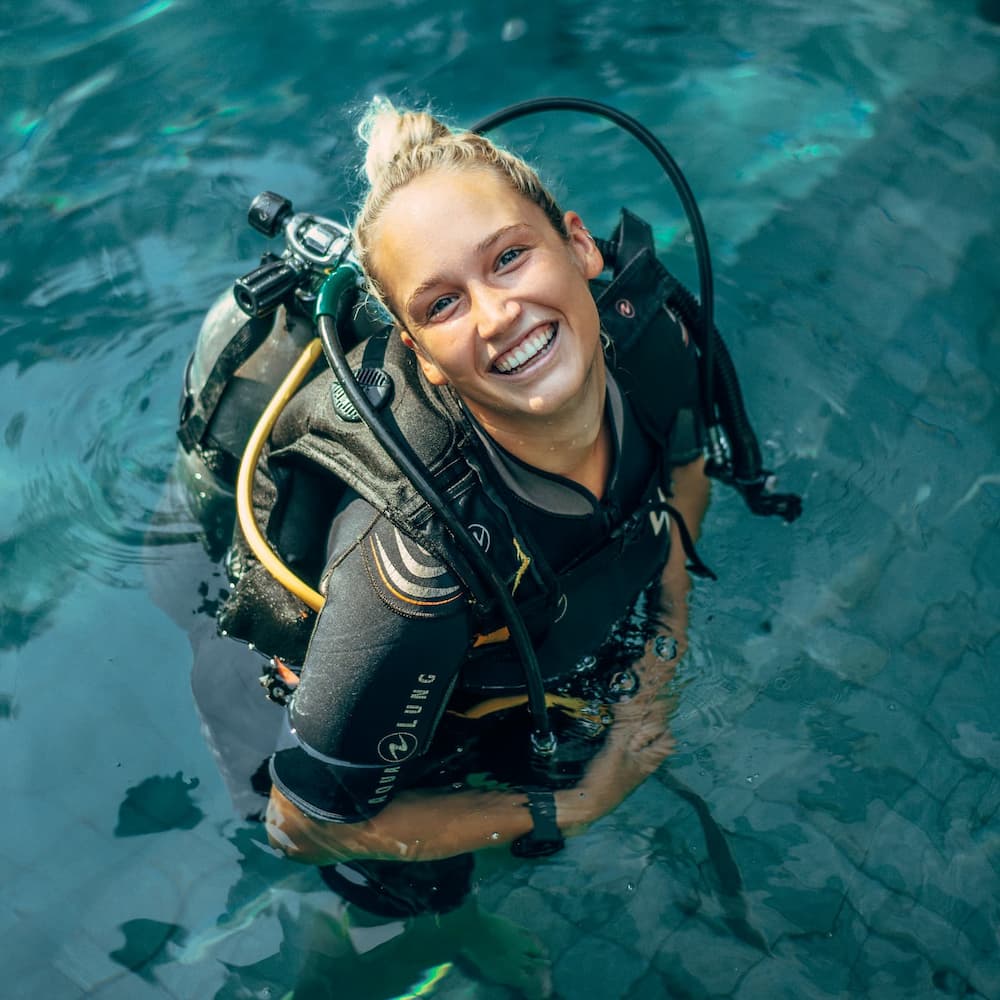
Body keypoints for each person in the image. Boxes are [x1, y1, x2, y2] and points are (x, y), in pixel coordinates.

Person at [254, 99, 710, 873]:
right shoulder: (412, 577)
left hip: (534, 648)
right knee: (423, 906)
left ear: (578, 246)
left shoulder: (652, 342)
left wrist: (658, 664)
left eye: (508, 258)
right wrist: (577, 805)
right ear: (419, 353)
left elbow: (680, 488)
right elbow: (300, 823)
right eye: (443, 304)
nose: (498, 315)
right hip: (393, 709)